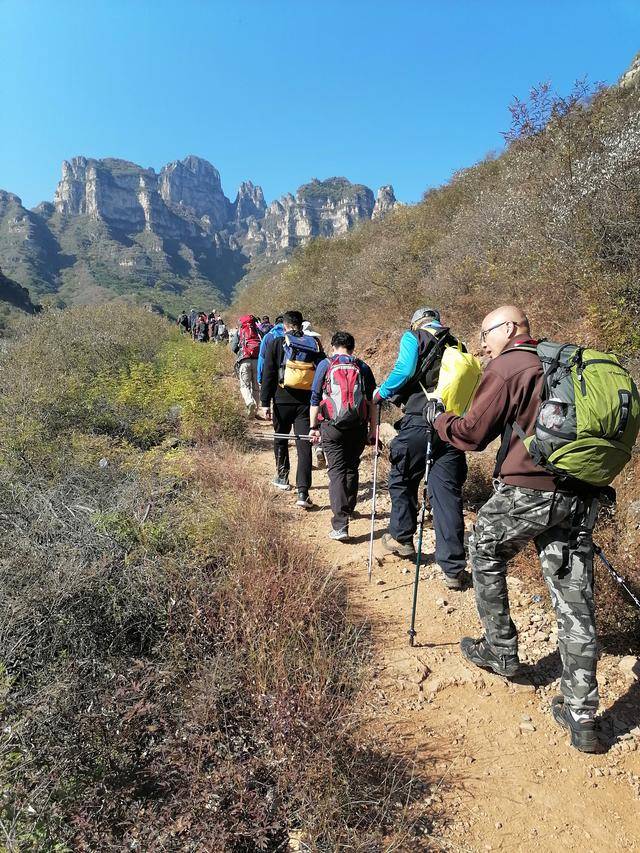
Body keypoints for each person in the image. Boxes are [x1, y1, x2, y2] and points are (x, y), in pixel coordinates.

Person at [425, 305, 602, 753]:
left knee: (483, 548)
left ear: (509, 329)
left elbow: (470, 434)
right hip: (579, 492)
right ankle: (583, 716)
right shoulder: (557, 361)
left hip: (530, 489)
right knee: (574, 595)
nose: (482, 345)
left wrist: (436, 418)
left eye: (486, 335)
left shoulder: (510, 367)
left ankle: (501, 650)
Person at [372, 308, 469, 590]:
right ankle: (453, 568)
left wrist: (382, 392)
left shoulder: (413, 336)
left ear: (417, 323)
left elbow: (404, 370)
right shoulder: (457, 344)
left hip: (418, 421)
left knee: (402, 478)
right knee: (447, 495)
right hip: (450, 427)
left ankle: (402, 538)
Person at [309, 331, 377, 540]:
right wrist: (373, 430)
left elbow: (315, 398)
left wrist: (313, 427)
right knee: (351, 467)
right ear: (352, 347)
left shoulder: (326, 365)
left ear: (333, 346)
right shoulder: (363, 366)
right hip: (357, 426)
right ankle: (349, 507)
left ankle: (340, 525)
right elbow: (373, 400)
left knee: (336, 471)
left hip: (332, 426)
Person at [260, 310, 323, 508]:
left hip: (281, 400)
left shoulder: (276, 342)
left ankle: (282, 477)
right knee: (304, 445)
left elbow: (269, 374)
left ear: (285, 325)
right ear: (301, 324)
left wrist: (264, 403)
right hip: (306, 403)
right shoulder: (314, 343)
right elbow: (322, 372)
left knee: (281, 438)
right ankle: (303, 493)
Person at [230, 314, 262, 417]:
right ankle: (255, 411)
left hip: (244, 360)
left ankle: (249, 402)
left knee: (244, 385)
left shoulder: (240, 331)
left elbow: (234, 347)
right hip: (257, 361)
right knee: (256, 387)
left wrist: (240, 353)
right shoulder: (258, 331)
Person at [257, 315, 285, 384]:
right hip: (289, 374)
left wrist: (260, 378)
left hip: (272, 372)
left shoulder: (268, 336)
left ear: (275, 324)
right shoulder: (292, 336)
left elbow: (262, 357)